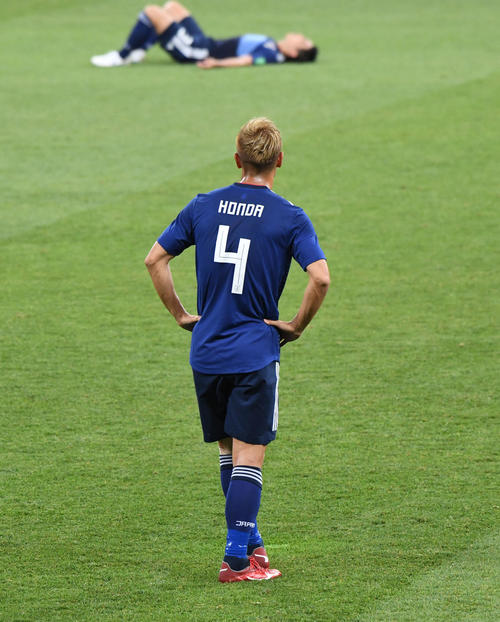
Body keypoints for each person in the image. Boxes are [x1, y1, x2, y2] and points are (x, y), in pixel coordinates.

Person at [145, 117, 329, 582]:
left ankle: (251, 544)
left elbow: (155, 259)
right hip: (253, 353)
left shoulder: (203, 206)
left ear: (237, 159)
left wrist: (182, 314)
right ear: (279, 161)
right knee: (250, 456)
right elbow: (320, 277)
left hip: (207, 351)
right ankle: (236, 561)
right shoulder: (290, 216)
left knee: (230, 452)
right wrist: (296, 326)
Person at [91, 1, 318, 68]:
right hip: (205, 42)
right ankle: (140, 50)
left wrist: (216, 63)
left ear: (293, 51)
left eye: (304, 41)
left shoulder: (270, 53)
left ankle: (121, 56)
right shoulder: (272, 49)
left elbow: (245, 60)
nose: (300, 35)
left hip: (198, 51)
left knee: (152, 11)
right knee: (172, 7)